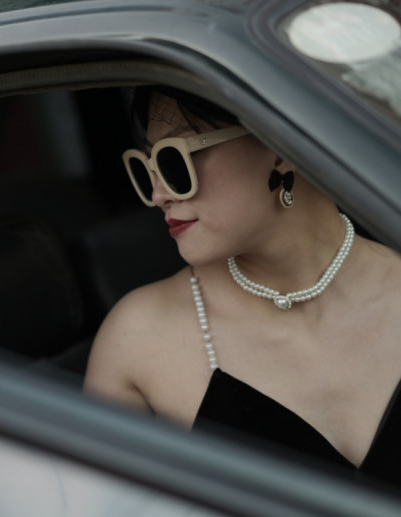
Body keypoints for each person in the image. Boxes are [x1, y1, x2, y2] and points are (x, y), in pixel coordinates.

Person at [84, 86, 401, 482]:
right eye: (147, 166)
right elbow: (99, 512)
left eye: (175, 159)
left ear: (279, 145)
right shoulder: (137, 338)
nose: (158, 194)